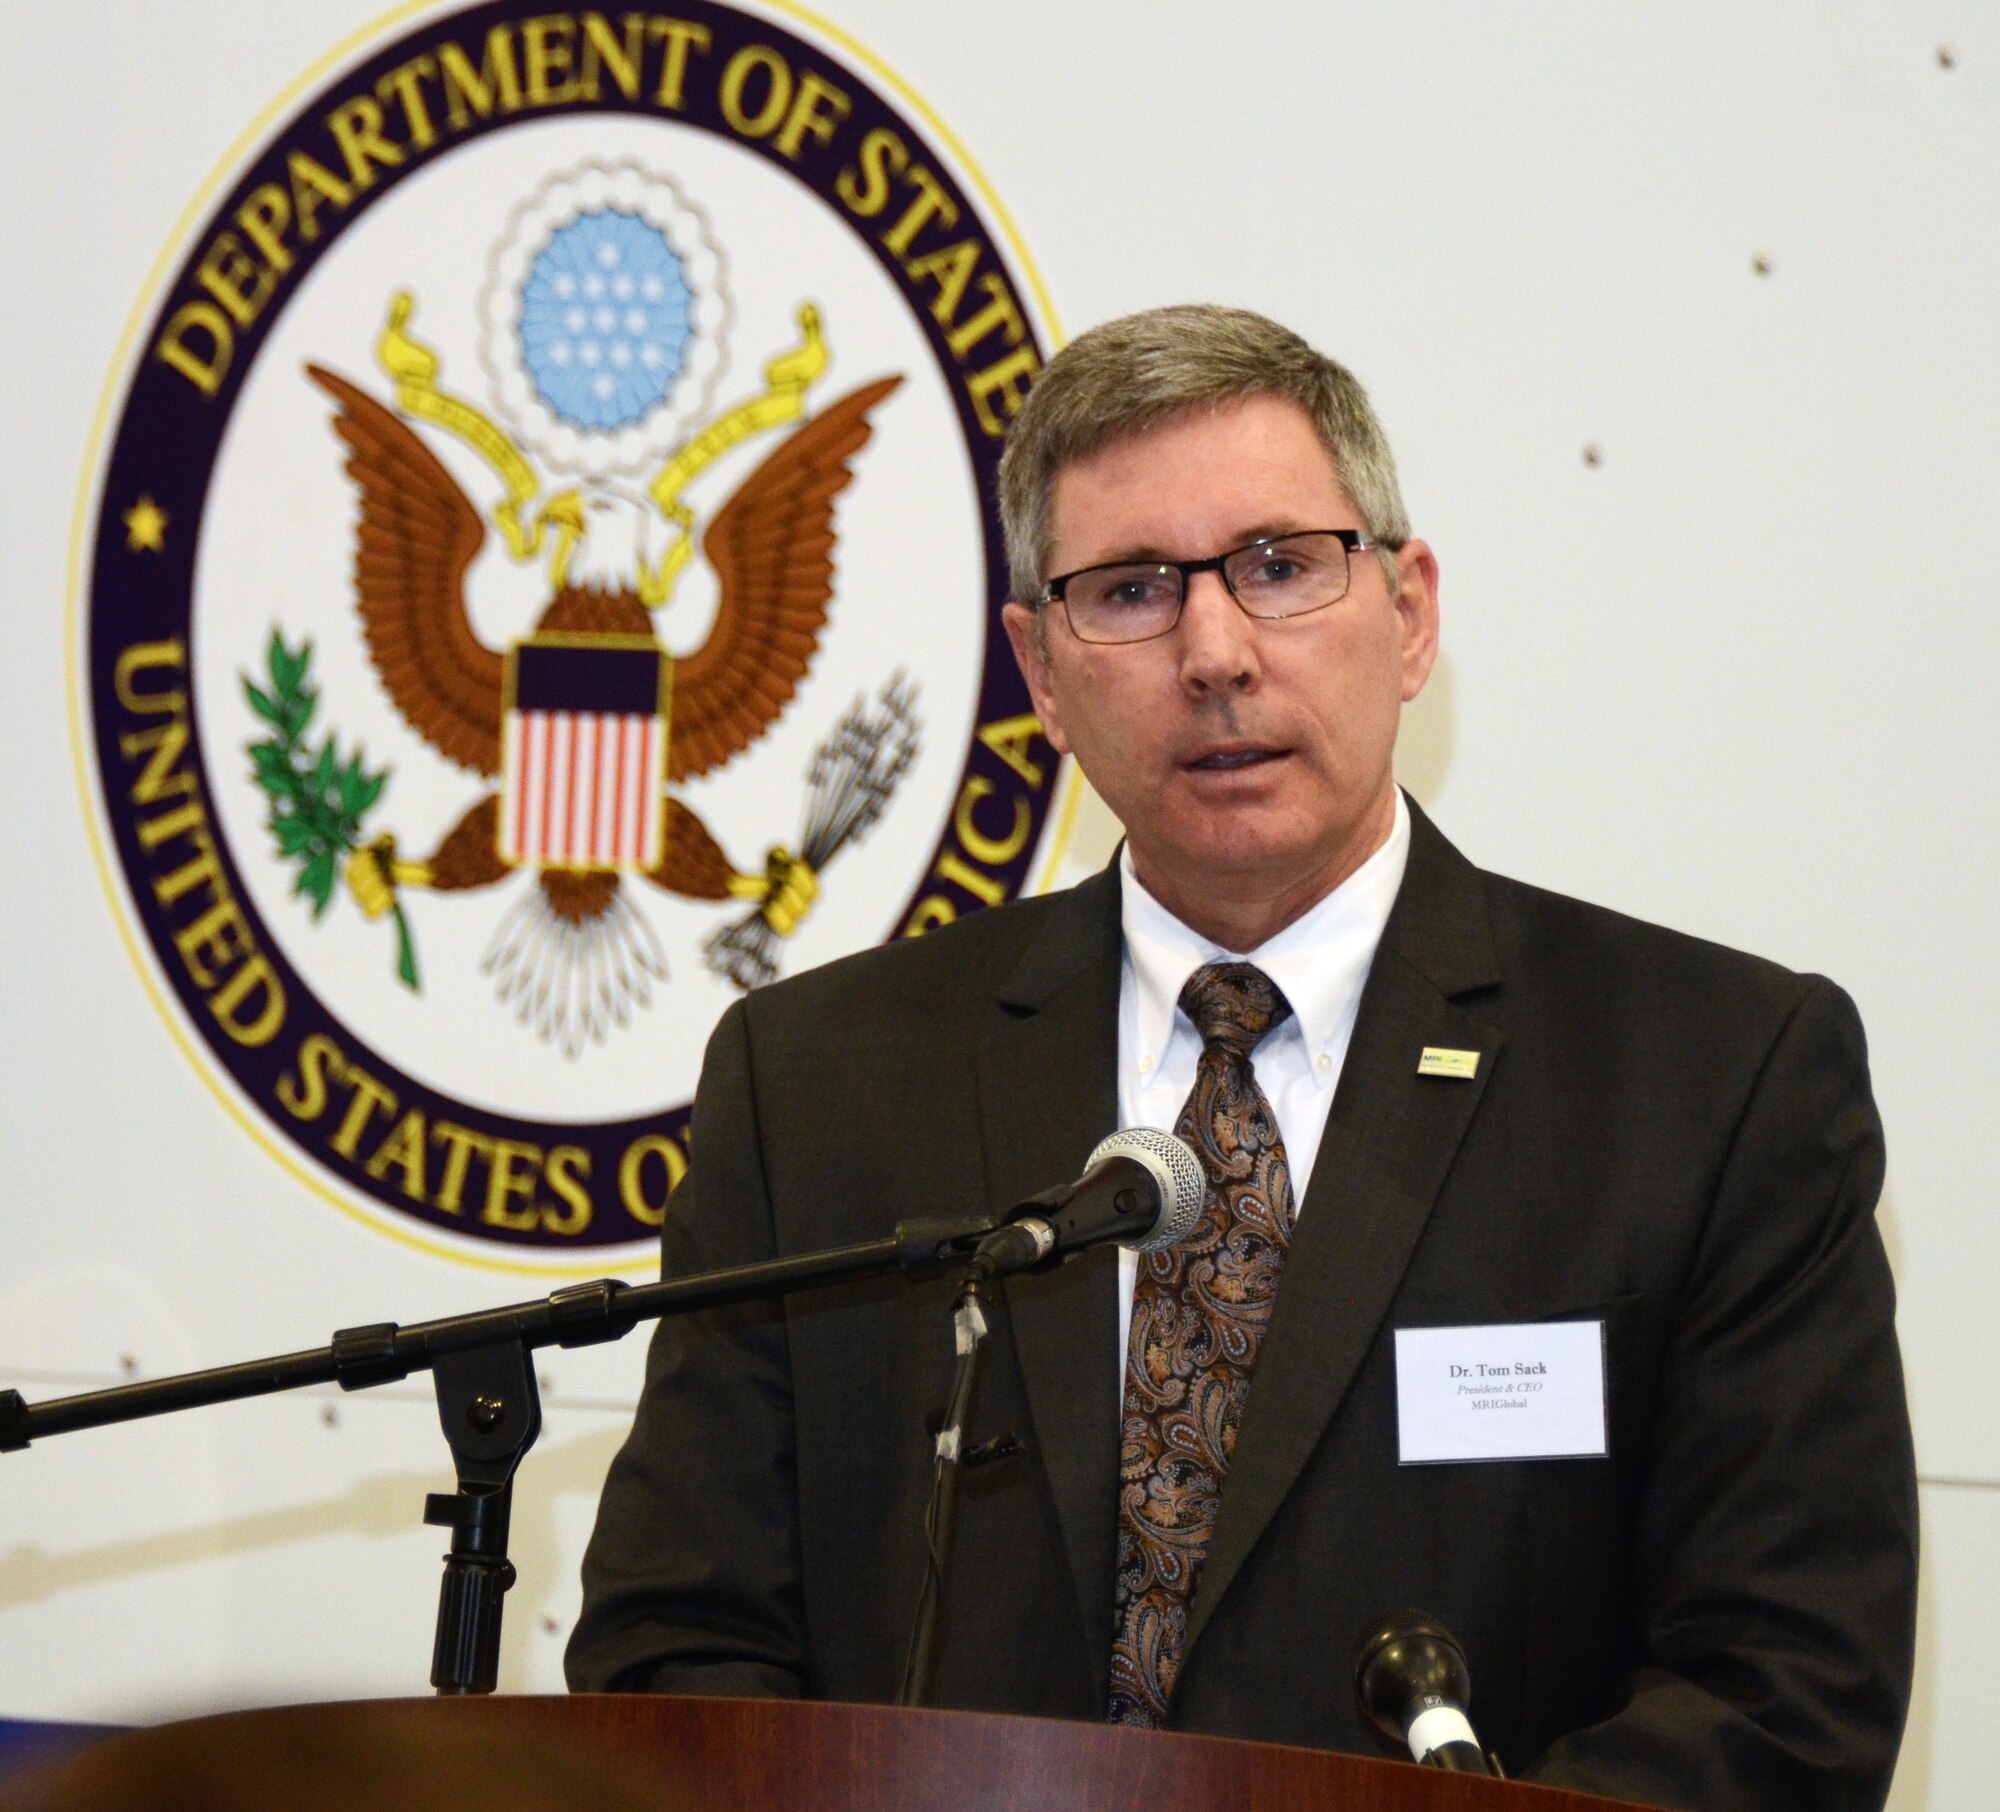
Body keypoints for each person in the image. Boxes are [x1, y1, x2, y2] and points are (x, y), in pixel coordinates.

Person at [567, 305, 1917, 1810]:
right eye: (1132, 592)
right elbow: (675, 1651)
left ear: (1407, 614)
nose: (1215, 653)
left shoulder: (1710, 1079)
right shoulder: (818, 1081)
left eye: (1279, 566)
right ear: (1042, 672)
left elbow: (1788, 1697)